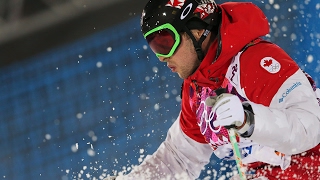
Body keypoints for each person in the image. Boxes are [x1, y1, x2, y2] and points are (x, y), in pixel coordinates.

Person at [106, 0, 320, 179]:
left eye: (165, 43)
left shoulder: (255, 61)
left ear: (198, 31)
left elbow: (310, 127)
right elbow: (179, 159)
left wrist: (249, 120)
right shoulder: (197, 91)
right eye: (154, 47)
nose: (162, 57)